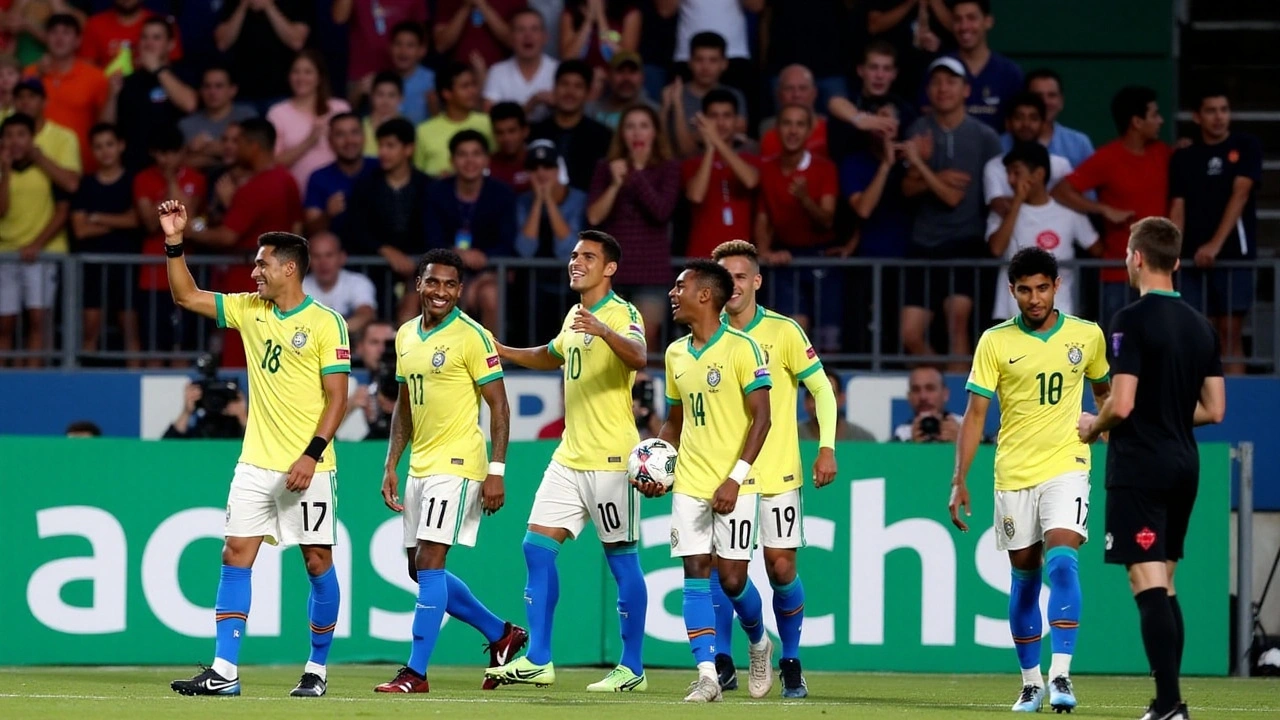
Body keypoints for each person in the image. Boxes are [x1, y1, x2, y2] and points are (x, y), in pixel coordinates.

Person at [160, 201, 350, 698]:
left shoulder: (328, 323)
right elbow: (185, 295)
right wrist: (175, 241)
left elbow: (338, 399)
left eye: (262, 263)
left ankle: (317, 668)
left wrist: (311, 454)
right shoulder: (249, 309)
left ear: (289, 268)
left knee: (317, 562)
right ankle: (225, 671)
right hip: (254, 463)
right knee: (235, 553)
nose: (254, 271)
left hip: (310, 466)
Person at [486, 230, 651, 692]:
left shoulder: (622, 312)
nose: (576, 262)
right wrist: (504, 352)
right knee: (535, 547)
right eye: (575, 255)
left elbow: (639, 354)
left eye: (588, 257)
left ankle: (633, 668)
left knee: (622, 561)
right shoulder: (575, 315)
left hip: (612, 458)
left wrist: (603, 330)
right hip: (569, 456)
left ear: (610, 268)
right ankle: (539, 658)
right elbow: (551, 355)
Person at [951, 247, 1111, 714]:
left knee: (1063, 562)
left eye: (1043, 288)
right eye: (1025, 289)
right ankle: (1030, 682)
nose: (1035, 298)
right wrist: (960, 478)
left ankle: (1061, 675)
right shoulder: (995, 342)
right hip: (1014, 474)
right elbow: (975, 415)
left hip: (1067, 466)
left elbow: (1105, 392)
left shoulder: (1087, 335)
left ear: (1057, 286)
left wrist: (1099, 426)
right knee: (1024, 579)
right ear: (1012, 290)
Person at [1078, 217, 1226, 720]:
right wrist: (1164, 408)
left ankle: (1168, 705)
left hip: (1141, 465)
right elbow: (1215, 408)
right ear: (1178, 261)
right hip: (1186, 463)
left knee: (1146, 581)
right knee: (1165, 580)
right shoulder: (1201, 325)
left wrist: (1091, 427)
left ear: (1136, 258)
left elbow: (1120, 405)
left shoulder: (1130, 320)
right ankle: (1171, 702)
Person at [374, 248, 529, 694]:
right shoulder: (405, 336)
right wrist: (391, 464)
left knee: (430, 561)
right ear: (418, 285)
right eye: (432, 282)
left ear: (460, 291)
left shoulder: (473, 337)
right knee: (416, 570)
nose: (440, 291)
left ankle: (415, 673)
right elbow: (404, 406)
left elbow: (499, 406)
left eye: (449, 284)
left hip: (459, 463)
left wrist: (496, 470)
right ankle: (501, 632)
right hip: (420, 464)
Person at [632, 258, 773, 703]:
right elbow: (674, 423)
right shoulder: (674, 354)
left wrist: (734, 479)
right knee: (695, 572)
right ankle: (708, 675)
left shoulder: (743, 348)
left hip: (736, 485)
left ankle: (759, 642)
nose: (672, 294)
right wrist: (657, 464)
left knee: (732, 580)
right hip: (690, 482)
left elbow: (763, 420)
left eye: (680, 287)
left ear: (706, 295)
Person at [712, 240, 838, 698]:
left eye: (741, 277)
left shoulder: (784, 332)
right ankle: (741, 649)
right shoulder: (707, 335)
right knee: (728, 573)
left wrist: (826, 447)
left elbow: (821, 390)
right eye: (726, 278)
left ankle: (791, 660)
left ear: (757, 282)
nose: (733, 286)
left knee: (781, 568)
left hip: (780, 471)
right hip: (727, 476)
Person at [1053, 86, 1171, 331]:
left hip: (1160, 272)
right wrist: (1102, 208)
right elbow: (1061, 191)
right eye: (1155, 114)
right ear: (1137, 122)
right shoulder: (1108, 157)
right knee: (1118, 348)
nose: (1160, 121)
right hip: (1118, 274)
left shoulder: (1164, 154)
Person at [1169, 87, 1263, 376]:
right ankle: (1202, 405)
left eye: (1224, 109)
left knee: (1230, 334)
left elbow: (1241, 195)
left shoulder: (1246, 145)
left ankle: (1236, 407)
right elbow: (1178, 208)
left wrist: (1215, 246)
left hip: (1234, 255)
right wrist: (1171, 253)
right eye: (1211, 110)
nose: (1219, 117)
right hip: (1192, 260)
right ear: (1197, 117)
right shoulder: (1184, 156)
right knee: (1200, 335)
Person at [586, 103, 681, 354]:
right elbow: (594, 216)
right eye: (630, 126)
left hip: (650, 272)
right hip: (611, 273)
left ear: (654, 133)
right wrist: (616, 185)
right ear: (622, 134)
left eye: (643, 126)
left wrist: (637, 173)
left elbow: (661, 212)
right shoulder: (606, 168)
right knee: (602, 348)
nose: (637, 133)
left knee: (639, 350)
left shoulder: (668, 168)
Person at [986, 142, 1098, 320]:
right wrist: (1016, 204)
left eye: (1016, 172)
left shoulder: (1068, 212)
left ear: (1038, 174)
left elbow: (1096, 248)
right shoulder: (1003, 213)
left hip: (1060, 314)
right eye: (1008, 173)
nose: (1010, 180)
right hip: (1012, 316)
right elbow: (996, 248)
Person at [0, 112, 70, 366]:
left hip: (40, 256)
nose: (15, 141)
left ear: (32, 138)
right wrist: (5, 173)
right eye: (8, 135)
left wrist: (37, 244)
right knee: (4, 324)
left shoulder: (46, 169)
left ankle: (32, 378)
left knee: (38, 319)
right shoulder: (1, 171)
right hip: (5, 255)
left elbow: (63, 211)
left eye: (21, 135)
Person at [71, 121, 141, 363]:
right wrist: (119, 221)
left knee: (130, 331)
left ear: (121, 146)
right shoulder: (86, 185)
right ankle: (82, 388)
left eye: (110, 144)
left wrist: (98, 217)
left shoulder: (134, 181)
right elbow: (80, 230)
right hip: (92, 270)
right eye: (98, 146)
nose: (105, 151)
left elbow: (137, 220)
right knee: (90, 330)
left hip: (126, 267)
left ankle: (135, 380)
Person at [682, 89, 758, 260]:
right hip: (702, 258)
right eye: (714, 116)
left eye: (727, 116)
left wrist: (716, 140)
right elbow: (696, 195)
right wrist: (710, 148)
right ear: (704, 120)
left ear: (737, 120)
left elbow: (750, 181)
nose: (721, 123)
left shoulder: (749, 158)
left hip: (741, 260)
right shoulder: (692, 162)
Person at [268, 50, 352, 199]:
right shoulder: (278, 113)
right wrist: (308, 142)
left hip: (339, 193)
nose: (301, 78)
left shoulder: (340, 108)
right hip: (295, 196)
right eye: (296, 72)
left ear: (319, 77)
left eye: (308, 72)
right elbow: (272, 163)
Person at [303, 112, 377, 241]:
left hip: (380, 256)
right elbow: (309, 231)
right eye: (340, 135)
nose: (349, 140)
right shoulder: (318, 178)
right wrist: (328, 214)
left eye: (354, 132)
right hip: (334, 258)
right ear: (330, 141)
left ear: (364, 137)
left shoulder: (381, 169)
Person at [413, 62, 492, 178]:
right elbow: (417, 174)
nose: (473, 91)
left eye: (473, 85)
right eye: (465, 86)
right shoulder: (423, 131)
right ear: (447, 93)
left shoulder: (488, 123)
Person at [302, 231, 377, 335]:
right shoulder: (298, 286)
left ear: (342, 257)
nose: (323, 263)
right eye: (316, 256)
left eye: (329, 255)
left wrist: (330, 334)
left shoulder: (358, 282)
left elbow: (367, 315)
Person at [800, 369, 875, 442]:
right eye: (814, 395)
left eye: (829, 396)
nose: (821, 403)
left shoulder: (863, 439)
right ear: (806, 402)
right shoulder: (792, 436)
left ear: (841, 399)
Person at [892, 366, 963, 443]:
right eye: (916, 390)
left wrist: (962, 442)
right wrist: (910, 446)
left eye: (930, 389)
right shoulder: (902, 435)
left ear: (945, 394)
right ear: (909, 397)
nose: (923, 397)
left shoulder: (964, 426)